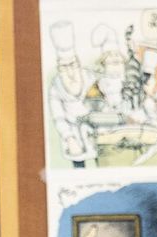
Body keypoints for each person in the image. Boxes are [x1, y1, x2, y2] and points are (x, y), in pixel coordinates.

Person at [47, 23, 95, 167]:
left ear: (78, 62)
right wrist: (69, 138)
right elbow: (58, 117)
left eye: (72, 64)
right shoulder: (55, 87)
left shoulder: (90, 77)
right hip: (73, 133)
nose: (69, 71)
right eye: (64, 66)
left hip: (95, 129)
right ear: (58, 66)